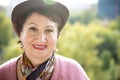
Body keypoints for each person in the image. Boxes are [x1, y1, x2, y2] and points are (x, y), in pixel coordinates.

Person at [0, 0, 90, 80]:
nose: (41, 39)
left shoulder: (73, 72)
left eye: (49, 30)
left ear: (58, 35)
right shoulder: (3, 73)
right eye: (33, 29)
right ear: (21, 33)